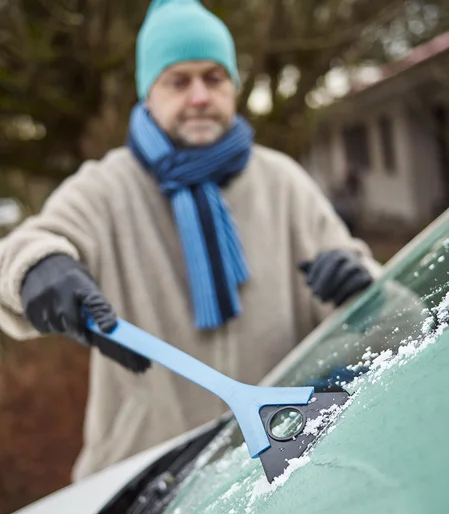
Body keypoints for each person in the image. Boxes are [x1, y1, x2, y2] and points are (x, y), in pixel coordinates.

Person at [0, 0, 381, 480]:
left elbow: (386, 312)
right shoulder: (106, 187)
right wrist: (39, 267)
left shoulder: (282, 182)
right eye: (178, 81)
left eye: (214, 78)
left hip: (280, 458)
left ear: (235, 89)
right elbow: (30, 245)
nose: (199, 96)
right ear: (148, 95)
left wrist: (359, 290)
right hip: (143, 481)